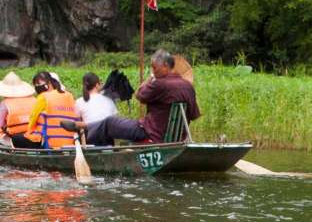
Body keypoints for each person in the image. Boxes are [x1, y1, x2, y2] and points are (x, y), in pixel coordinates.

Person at [63, 49, 200, 144]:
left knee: (110, 122)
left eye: (154, 68)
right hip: (176, 137)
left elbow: (139, 95)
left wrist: (149, 79)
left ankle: (84, 127)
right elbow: (194, 115)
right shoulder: (188, 87)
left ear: (165, 66)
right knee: (117, 123)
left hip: (150, 132)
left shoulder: (159, 83)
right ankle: (86, 126)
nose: (153, 71)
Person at [25, 71, 80, 150]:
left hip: (50, 143)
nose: (37, 87)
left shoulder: (43, 97)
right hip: (71, 141)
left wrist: (28, 132)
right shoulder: (69, 96)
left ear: (49, 83)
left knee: (17, 138)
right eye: (36, 85)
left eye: (39, 84)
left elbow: (32, 120)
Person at [0, 72, 41, 148]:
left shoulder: (4, 104)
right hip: (34, 137)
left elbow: (0, 124)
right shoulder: (34, 100)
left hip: (14, 138)